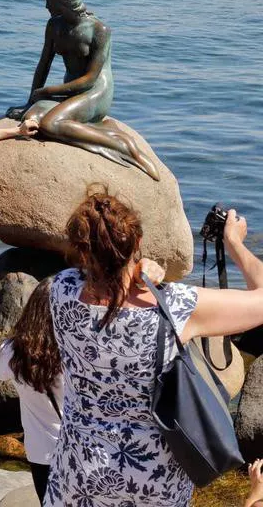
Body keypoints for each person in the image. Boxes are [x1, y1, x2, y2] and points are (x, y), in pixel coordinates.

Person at [44, 189, 263, 506]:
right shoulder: (172, 308)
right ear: (137, 243)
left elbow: (101, 279)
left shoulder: (60, 290)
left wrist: (134, 269)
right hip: (153, 477)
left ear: (79, 250)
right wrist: (234, 243)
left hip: (79, 467)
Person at [6, 0, 159, 180]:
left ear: (61, 2)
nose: (45, 6)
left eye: (48, 0)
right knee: (32, 119)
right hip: (70, 90)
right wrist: (29, 101)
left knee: (50, 124)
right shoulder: (54, 26)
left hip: (95, 91)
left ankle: (124, 146)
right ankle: (97, 130)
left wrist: (46, 92)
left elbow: (89, 79)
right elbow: (44, 65)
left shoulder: (99, 30)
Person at [0, 278, 61, 503]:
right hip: (77, 447)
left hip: (39, 450)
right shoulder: (76, 350)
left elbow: (0, 372)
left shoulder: (12, 351)